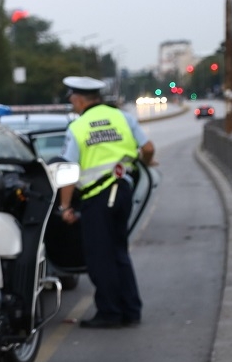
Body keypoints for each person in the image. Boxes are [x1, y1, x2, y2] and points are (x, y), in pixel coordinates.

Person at [57, 75, 157, 329]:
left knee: (100, 257)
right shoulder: (123, 117)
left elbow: (69, 170)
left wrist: (65, 207)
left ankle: (110, 313)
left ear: (79, 100)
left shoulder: (78, 127)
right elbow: (148, 148)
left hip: (97, 198)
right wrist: (140, 166)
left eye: (72, 100)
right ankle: (131, 309)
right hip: (122, 193)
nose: (72, 104)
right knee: (118, 251)